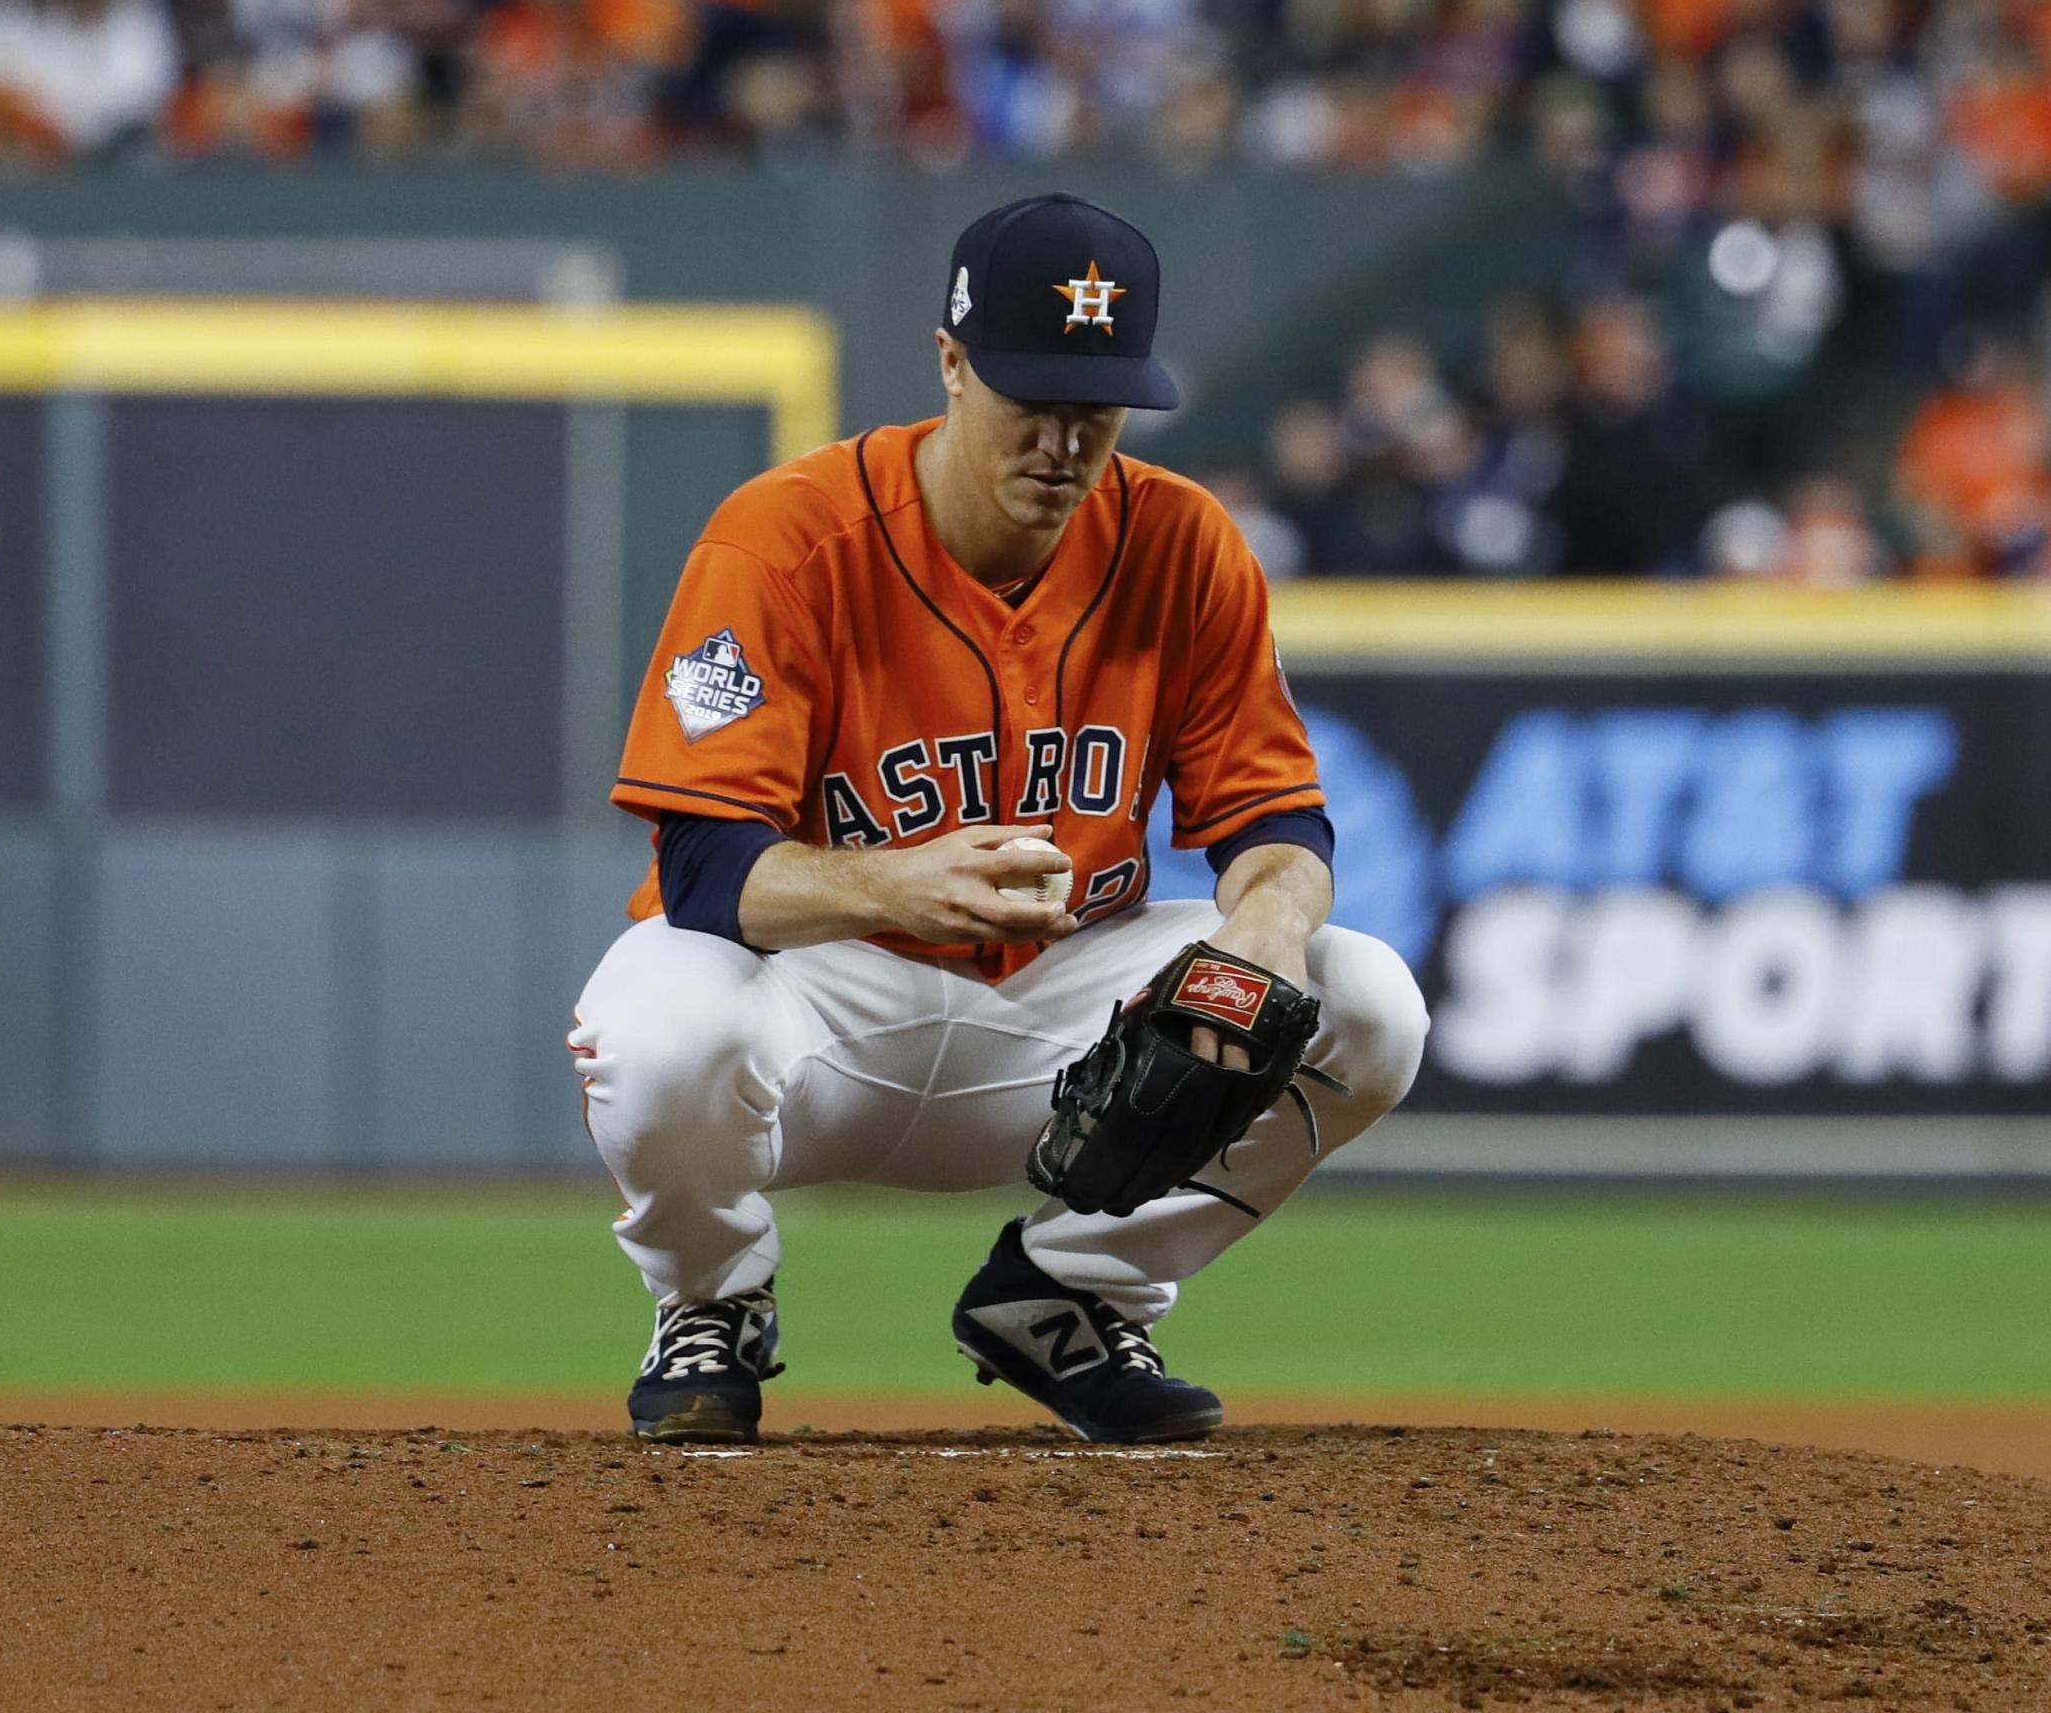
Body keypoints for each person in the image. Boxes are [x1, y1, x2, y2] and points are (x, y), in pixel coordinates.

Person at [569, 193, 1428, 1446]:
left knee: (1362, 1003)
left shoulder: (1185, 543)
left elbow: (1273, 813)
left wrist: (1269, 934)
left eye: (1098, 408)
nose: (1064, 443)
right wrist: (891, 884)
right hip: (824, 1004)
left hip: (1063, 1011)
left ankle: (1070, 1291)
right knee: (657, 1017)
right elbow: (703, 866)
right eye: (1033, 399)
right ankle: (711, 1302)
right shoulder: (787, 537)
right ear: (952, 363)